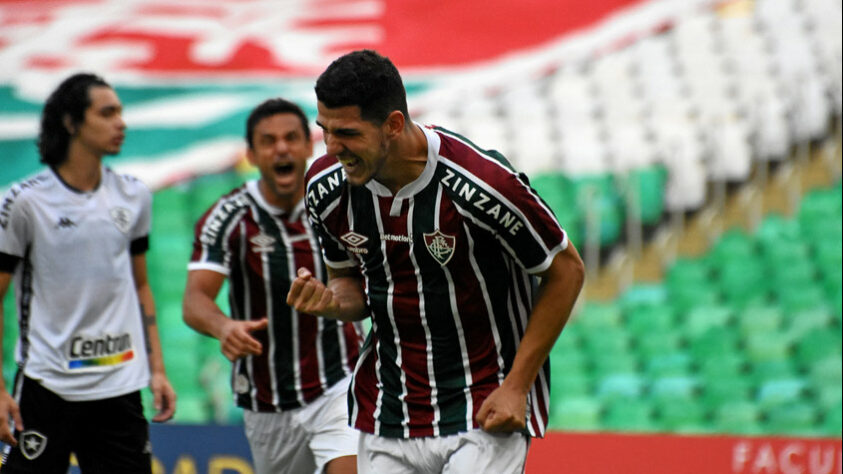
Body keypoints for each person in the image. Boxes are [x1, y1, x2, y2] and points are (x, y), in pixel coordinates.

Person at [286, 49, 586, 473]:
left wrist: (517, 386)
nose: (333, 147)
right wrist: (333, 301)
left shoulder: (482, 184)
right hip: (389, 410)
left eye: (347, 133)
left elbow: (566, 268)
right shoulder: (325, 188)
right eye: (325, 131)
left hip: (483, 405)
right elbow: (349, 285)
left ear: (392, 124)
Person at [0, 73, 176, 473]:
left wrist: (159, 370)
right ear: (71, 122)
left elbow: (141, 286)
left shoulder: (134, 196)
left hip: (119, 388)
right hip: (47, 388)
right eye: (107, 112)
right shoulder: (25, 203)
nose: (121, 123)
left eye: (121, 112)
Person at [182, 98, 363, 474]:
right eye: (268, 141)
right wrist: (224, 327)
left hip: (339, 381)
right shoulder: (229, 216)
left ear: (309, 145)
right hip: (267, 400)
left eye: (291, 138)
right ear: (251, 153)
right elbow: (195, 300)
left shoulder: (341, 202)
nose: (281, 148)